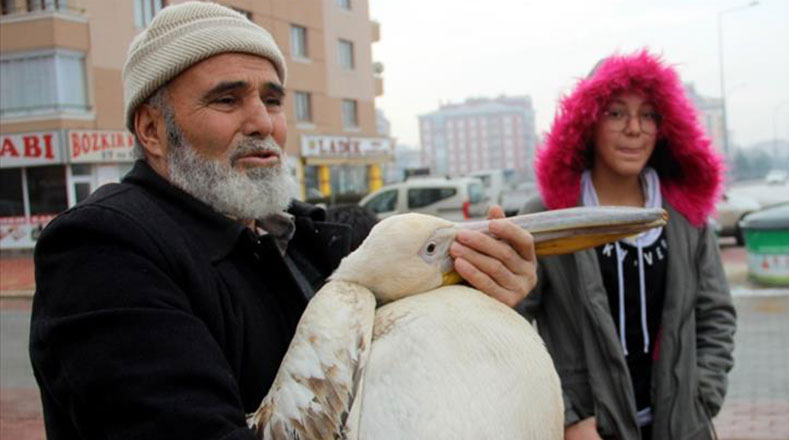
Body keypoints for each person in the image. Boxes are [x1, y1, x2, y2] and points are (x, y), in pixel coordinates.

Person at [28, 3, 537, 439]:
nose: (263, 123)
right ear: (153, 130)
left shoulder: (323, 237)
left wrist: (476, 290)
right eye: (227, 99)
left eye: (272, 100)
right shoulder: (102, 248)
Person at [517, 50, 736, 440]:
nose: (635, 129)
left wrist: (701, 396)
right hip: (588, 430)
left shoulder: (685, 215)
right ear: (587, 121)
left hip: (681, 426)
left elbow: (715, 314)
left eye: (649, 114)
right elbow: (511, 328)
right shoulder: (550, 216)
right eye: (616, 113)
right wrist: (566, 415)